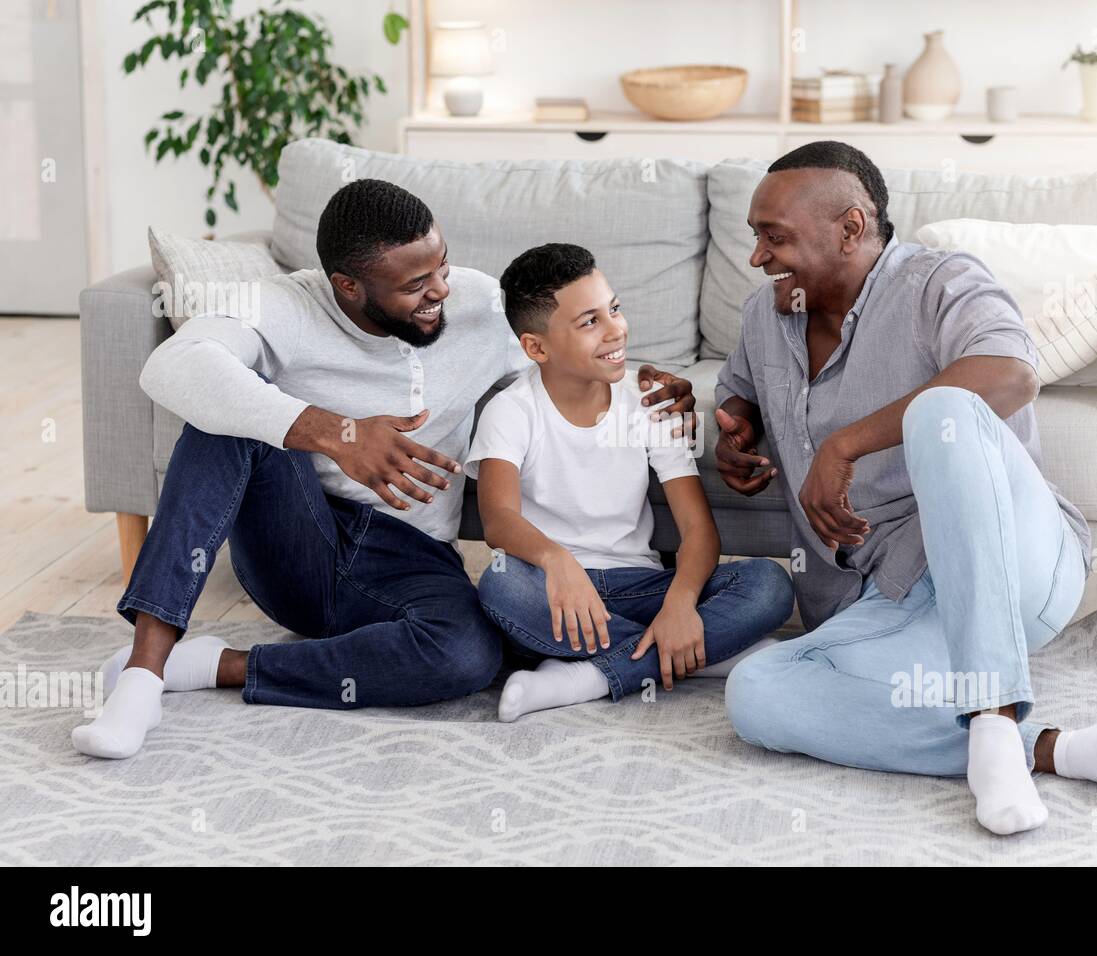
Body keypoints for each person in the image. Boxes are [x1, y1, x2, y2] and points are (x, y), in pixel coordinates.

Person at [72, 180, 698, 759]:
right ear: (348, 286)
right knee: (221, 413)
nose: (442, 292)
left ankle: (222, 666)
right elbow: (170, 367)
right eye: (415, 285)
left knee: (468, 657)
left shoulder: (479, 305)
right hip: (301, 540)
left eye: (442, 265)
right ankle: (144, 673)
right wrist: (336, 433)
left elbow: (562, 361)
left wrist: (648, 382)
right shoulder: (281, 306)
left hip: (414, 558)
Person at [717, 142, 1097, 835]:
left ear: (849, 227)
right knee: (755, 694)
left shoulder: (938, 282)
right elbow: (741, 399)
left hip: (1011, 564)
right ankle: (1060, 749)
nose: (758, 256)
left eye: (773, 236)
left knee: (944, 409)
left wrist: (844, 444)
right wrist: (734, 437)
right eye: (755, 236)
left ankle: (991, 715)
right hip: (888, 603)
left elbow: (1012, 373)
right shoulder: (764, 316)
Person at [467, 243, 794, 722]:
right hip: (555, 593)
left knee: (768, 585)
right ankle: (704, 655)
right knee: (499, 585)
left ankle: (588, 676)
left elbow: (698, 531)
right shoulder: (511, 411)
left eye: (614, 309)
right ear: (537, 347)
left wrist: (681, 602)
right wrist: (557, 561)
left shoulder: (647, 402)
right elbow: (498, 519)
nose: (615, 329)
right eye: (589, 322)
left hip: (640, 586)